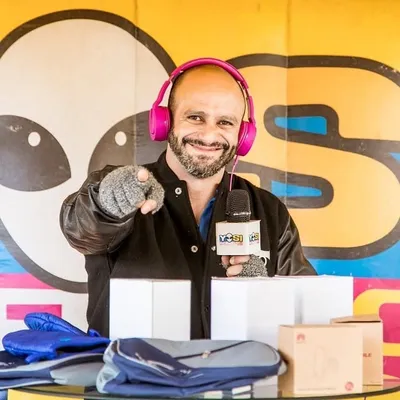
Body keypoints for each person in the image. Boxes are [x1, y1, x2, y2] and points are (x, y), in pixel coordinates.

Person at [60, 58, 316, 339]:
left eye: (225, 122)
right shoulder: (125, 188)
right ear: (165, 120)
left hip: (238, 368)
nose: (209, 135)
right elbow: (82, 229)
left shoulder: (270, 211)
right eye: (195, 117)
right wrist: (110, 203)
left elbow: (305, 319)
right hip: (131, 368)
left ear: (242, 134)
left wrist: (266, 291)